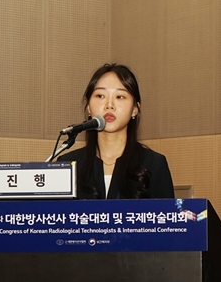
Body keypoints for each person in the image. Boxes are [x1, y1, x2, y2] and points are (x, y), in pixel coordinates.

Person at [58, 64, 175, 199]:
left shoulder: (154, 163)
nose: (109, 105)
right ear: (89, 107)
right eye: (100, 96)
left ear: (135, 109)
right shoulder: (68, 165)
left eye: (119, 97)